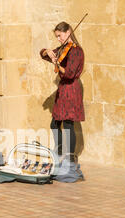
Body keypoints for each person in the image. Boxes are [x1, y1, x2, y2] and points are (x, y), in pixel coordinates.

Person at [40, 22, 85, 162]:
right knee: (54, 124)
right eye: (57, 36)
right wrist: (47, 51)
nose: (58, 39)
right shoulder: (63, 49)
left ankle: (70, 159)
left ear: (68, 32)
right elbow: (44, 55)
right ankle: (59, 151)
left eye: (60, 36)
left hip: (71, 89)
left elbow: (70, 74)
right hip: (63, 89)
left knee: (68, 125)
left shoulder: (76, 51)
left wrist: (57, 64)